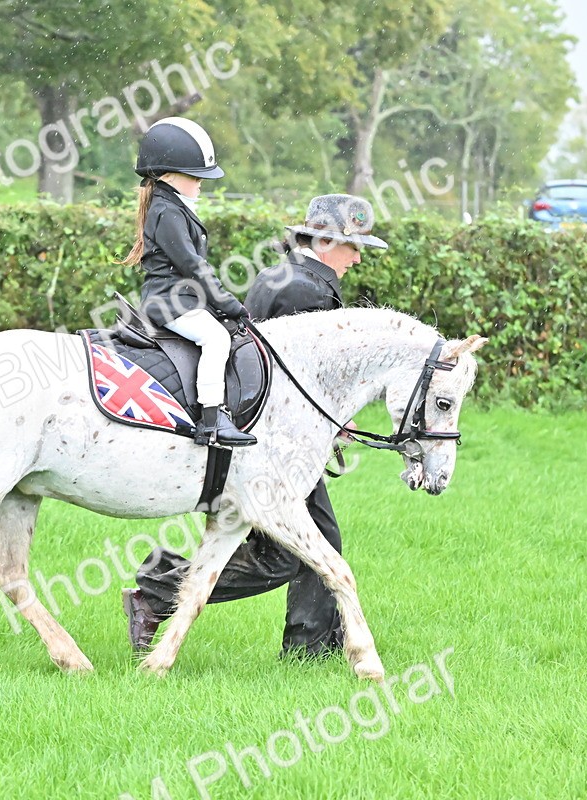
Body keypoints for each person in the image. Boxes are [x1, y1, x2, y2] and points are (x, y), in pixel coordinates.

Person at [122, 193, 389, 659]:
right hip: (274, 441)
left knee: (304, 544)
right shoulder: (307, 290)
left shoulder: (280, 275)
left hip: (263, 432)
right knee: (301, 547)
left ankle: (311, 647)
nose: (358, 256)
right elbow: (297, 370)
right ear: (326, 241)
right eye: (353, 245)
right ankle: (162, 589)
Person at [119, 117, 257, 447]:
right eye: (196, 177)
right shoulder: (167, 212)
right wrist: (228, 304)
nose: (200, 184)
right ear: (169, 175)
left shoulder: (171, 207)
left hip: (179, 298)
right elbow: (194, 267)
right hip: (168, 302)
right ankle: (211, 420)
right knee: (215, 339)